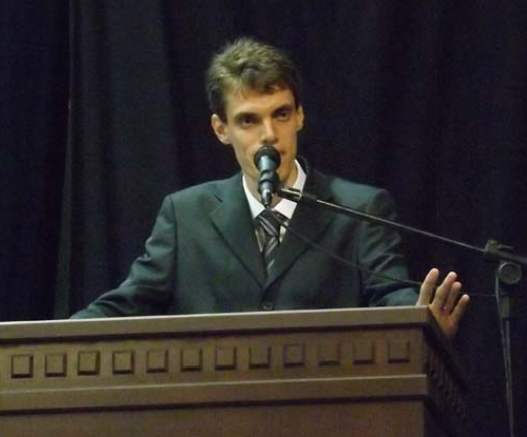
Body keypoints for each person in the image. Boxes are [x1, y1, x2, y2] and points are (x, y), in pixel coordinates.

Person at [72, 38, 469, 339]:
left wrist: (421, 324)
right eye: (249, 121)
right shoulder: (185, 215)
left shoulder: (360, 209)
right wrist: (47, 344)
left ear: (299, 116)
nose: (268, 135)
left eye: (280, 114)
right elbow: (128, 304)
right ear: (221, 129)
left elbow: (393, 300)